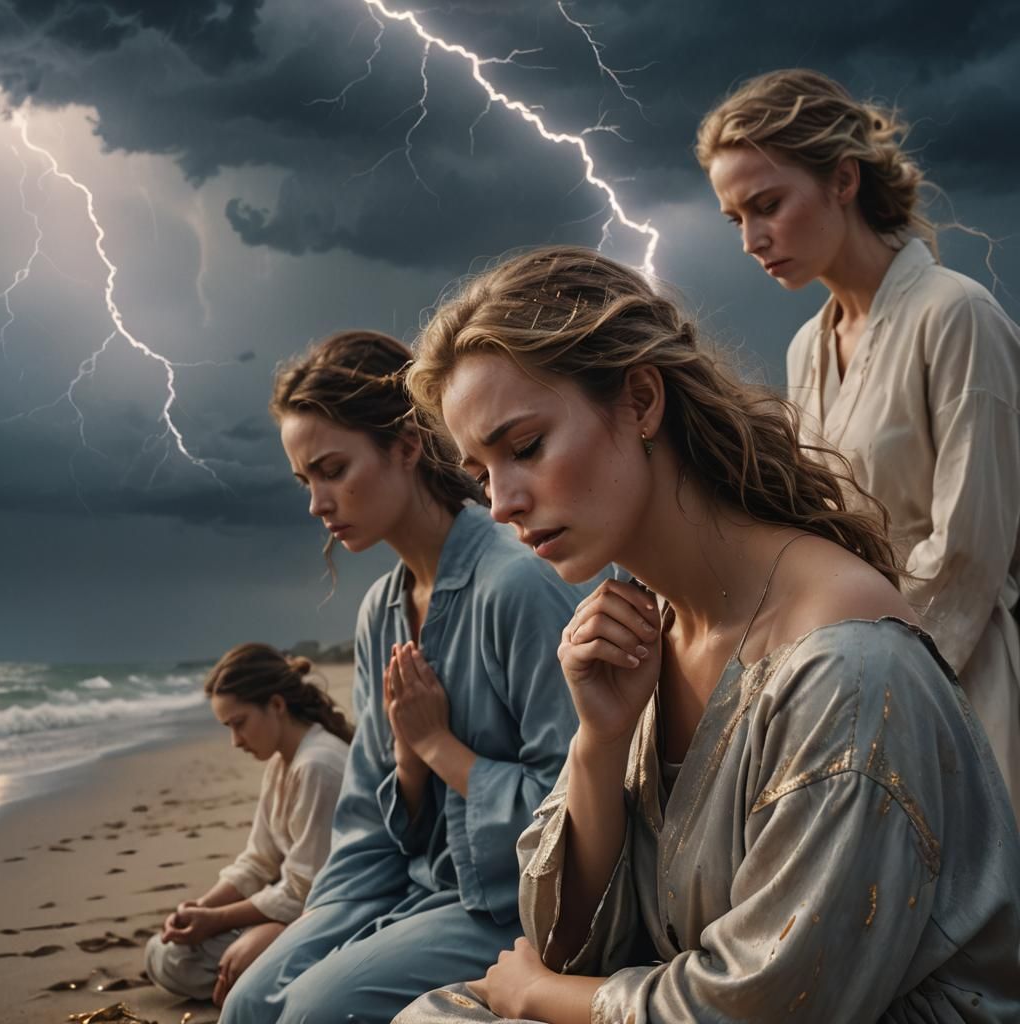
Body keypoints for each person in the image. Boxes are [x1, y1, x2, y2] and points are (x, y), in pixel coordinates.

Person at [392, 245, 1020, 1023]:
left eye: (524, 448)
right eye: (481, 474)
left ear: (641, 401)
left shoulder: (846, 667)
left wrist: (537, 994)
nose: (503, 503)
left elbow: (770, 1006)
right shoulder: (651, 633)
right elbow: (571, 941)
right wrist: (600, 742)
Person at [219, 330, 595, 1024]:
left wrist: (438, 748)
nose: (317, 504)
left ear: (407, 446)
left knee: (310, 1014)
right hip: (406, 888)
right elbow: (366, 822)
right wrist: (314, 924)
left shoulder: (518, 584)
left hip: (514, 906)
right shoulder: (380, 612)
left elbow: (576, 813)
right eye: (305, 481)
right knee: (251, 1003)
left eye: (333, 470)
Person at [697, 68, 1020, 818]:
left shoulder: (957, 315)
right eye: (735, 219)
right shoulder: (807, 347)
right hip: (850, 681)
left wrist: (876, 673)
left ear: (843, 180)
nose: (751, 240)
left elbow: (969, 550)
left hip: (962, 676)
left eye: (767, 206)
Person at [144, 642, 352, 1007]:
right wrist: (201, 909)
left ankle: (277, 977)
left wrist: (224, 921)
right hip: (296, 910)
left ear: (276, 705)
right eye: (228, 727)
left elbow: (307, 891)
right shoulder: (282, 762)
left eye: (239, 724)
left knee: (176, 961)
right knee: (163, 951)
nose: (235, 741)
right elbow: (258, 860)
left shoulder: (318, 766)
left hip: (334, 920)